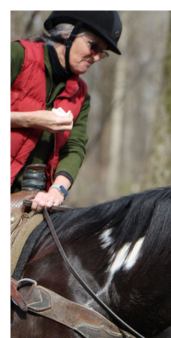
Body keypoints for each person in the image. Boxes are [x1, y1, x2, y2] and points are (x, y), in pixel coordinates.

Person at [11, 11, 122, 211]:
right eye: (93, 45)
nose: (96, 57)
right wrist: (30, 119)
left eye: (102, 53)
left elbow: (75, 147)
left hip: (31, 195)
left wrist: (57, 191)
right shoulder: (17, 55)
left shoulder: (82, 95)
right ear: (66, 33)